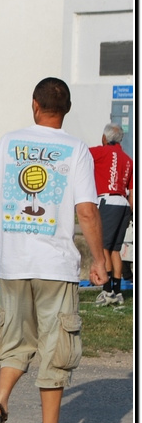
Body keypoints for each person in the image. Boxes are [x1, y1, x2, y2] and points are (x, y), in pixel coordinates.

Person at [0, 77, 105, 423]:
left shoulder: (8, 143)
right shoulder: (76, 149)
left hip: (14, 265)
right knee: (55, 351)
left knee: (15, 343)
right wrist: (98, 259)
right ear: (66, 109)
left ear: (34, 105)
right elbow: (87, 211)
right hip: (56, 267)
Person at [89, 123, 133, 306]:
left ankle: (107, 292)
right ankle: (117, 290)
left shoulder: (99, 152)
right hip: (123, 203)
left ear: (105, 138)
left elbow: (79, 154)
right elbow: (132, 188)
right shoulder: (128, 159)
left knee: (103, 247)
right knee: (115, 249)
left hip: (108, 201)